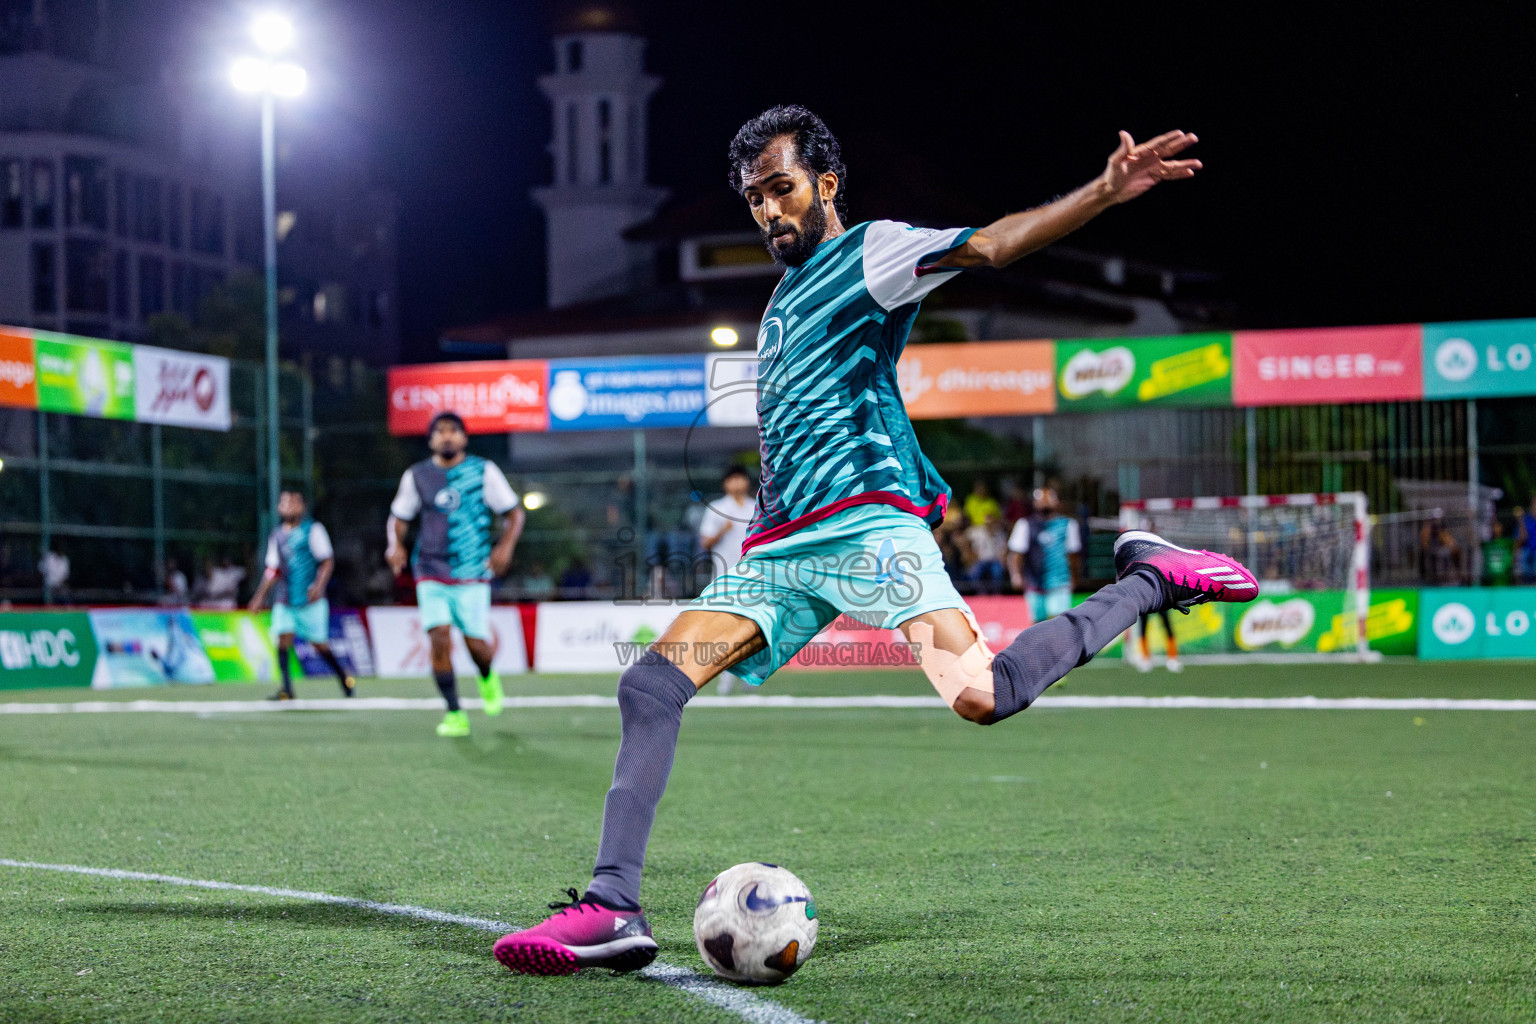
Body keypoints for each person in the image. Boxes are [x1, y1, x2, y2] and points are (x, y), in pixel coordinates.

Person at [492, 105, 1256, 975]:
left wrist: (1105, 191)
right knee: (652, 685)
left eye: (782, 189)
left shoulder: (876, 253)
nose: (769, 212)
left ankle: (1152, 578)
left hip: (872, 532)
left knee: (983, 696)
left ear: (826, 183)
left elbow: (996, 245)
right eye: (753, 199)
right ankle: (611, 907)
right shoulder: (782, 295)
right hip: (780, 552)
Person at [387, 411, 524, 737]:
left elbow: (514, 514)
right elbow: (399, 517)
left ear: (464, 438)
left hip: (472, 571)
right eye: (440, 431)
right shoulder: (417, 475)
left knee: (476, 645)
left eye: (453, 431)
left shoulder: (483, 471)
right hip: (430, 569)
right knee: (438, 638)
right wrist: (395, 544)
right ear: (431, 439)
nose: (447, 436)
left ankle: (487, 677)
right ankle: (454, 713)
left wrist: (504, 548)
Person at [247, 490, 356, 700]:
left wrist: (318, 585)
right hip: (285, 598)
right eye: (285, 502)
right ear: (279, 507)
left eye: (294, 502)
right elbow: (272, 569)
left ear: (303, 507)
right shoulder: (276, 535)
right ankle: (287, 689)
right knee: (282, 638)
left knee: (319, 644)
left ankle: (343, 677)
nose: (289, 506)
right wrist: (259, 596)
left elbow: (326, 561)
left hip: (310, 599)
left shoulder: (313, 530)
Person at [696, 465, 757, 693]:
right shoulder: (717, 508)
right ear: (726, 484)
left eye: (741, 479)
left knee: (750, 629)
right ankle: (725, 679)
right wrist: (722, 531)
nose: (737, 483)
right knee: (725, 631)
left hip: (752, 577)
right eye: (733, 479)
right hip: (725, 579)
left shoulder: (756, 508)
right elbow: (705, 543)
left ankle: (748, 679)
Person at [1007, 487, 1082, 622]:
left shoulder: (1068, 524)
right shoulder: (1025, 524)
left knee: (1058, 620)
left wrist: (1074, 576)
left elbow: (1073, 554)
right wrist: (1016, 574)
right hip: (1034, 582)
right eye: (1041, 500)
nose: (1045, 503)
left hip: (1059, 580)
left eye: (1049, 500)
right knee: (1037, 621)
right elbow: (1016, 553)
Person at [1516, 501, 1536, 583]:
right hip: (1526, 551)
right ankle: (1524, 582)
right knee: (1523, 554)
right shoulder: (1526, 520)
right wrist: (1520, 520)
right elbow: (1521, 539)